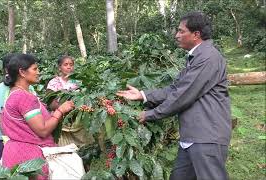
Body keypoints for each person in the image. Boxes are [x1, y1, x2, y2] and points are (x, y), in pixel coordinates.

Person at [117, 12, 231, 180]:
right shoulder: (195, 56)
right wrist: (142, 95)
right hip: (192, 136)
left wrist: (150, 115)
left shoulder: (208, 57)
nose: (176, 35)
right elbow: (175, 89)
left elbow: (183, 96)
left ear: (196, 34)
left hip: (206, 137)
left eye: (181, 31)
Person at [0, 54, 74, 180]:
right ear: (22, 72)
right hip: (29, 159)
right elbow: (43, 130)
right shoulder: (24, 97)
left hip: (17, 155)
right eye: (35, 69)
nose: (38, 72)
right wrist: (60, 111)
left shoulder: (15, 93)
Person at [0, 54, 37, 163]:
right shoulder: (0, 89)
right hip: (4, 138)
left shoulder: (30, 87)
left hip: (26, 138)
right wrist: (7, 136)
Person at [46, 55, 94, 147]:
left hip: (77, 119)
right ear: (60, 67)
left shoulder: (79, 82)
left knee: (84, 146)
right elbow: (50, 102)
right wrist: (64, 108)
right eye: (66, 64)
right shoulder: (53, 82)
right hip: (60, 119)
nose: (69, 67)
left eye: (71, 64)